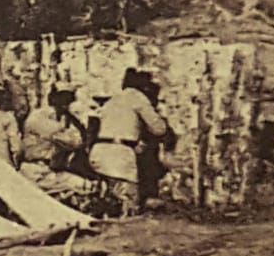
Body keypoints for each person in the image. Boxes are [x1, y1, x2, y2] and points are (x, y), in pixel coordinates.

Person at [88, 68, 169, 216]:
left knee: (108, 203)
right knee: (129, 206)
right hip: (120, 156)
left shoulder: (112, 100)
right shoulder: (137, 97)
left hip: (99, 152)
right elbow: (159, 129)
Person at [20, 87, 94, 200]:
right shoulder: (48, 122)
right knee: (85, 186)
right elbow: (76, 142)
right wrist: (75, 120)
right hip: (38, 172)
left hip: (36, 170)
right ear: (65, 106)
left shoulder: (37, 115)